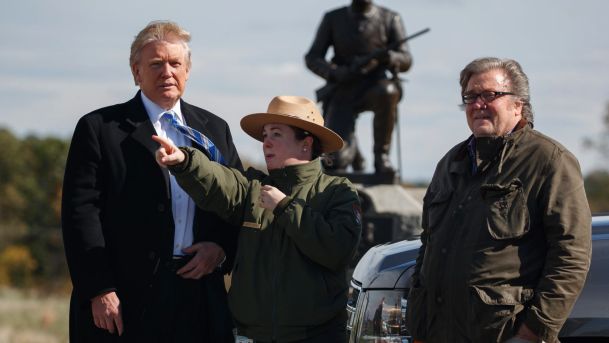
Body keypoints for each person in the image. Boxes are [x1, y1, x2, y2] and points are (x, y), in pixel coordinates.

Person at [61, 21, 241, 342]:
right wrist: (99, 288)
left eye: (175, 64)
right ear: (136, 71)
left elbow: (237, 203)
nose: (166, 72)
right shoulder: (99, 129)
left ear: (187, 70)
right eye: (155, 64)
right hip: (123, 301)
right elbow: (80, 216)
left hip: (199, 298)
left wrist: (222, 249)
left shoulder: (215, 130)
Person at [406, 57, 592, 343]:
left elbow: (571, 256)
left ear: (518, 104)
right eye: (470, 96)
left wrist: (533, 333)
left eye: (489, 95)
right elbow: (428, 244)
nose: (477, 104)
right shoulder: (450, 163)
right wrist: (419, 324)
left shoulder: (549, 161)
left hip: (503, 333)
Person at [153, 95, 362, 342]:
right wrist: (185, 161)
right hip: (253, 337)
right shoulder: (254, 187)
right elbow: (221, 181)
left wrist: (284, 206)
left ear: (305, 143)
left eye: (276, 134)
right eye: (265, 136)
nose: (266, 143)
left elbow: (337, 250)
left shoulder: (337, 191)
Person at [305, 0, 412, 174]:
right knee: (334, 162)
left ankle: (381, 156)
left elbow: (406, 59)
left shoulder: (390, 18)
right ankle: (355, 154)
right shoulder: (333, 18)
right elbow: (312, 57)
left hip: (375, 86)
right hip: (343, 90)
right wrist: (335, 72)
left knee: (388, 92)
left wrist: (390, 57)